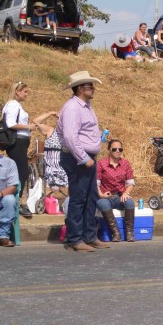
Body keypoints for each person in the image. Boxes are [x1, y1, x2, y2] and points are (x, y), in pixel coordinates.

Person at [57, 71, 110, 252]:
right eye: (90, 86)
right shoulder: (73, 108)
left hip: (86, 157)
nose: (93, 89)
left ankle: (89, 236)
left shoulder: (86, 106)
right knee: (79, 198)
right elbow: (70, 136)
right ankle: (75, 239)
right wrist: (83, 158)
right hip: (77, 157)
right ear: (81, 88)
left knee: (91, 197)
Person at [2, 81, 39, 217]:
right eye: (25, 91)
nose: (26, 94)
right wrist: (28, 127)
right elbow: (10, 123)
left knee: (20, 172)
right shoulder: (12, 105)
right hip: (17, 142)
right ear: (17, 91)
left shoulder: (17, 106)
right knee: (21, 172)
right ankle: (16, 201)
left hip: (21, 142)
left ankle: (15, 200)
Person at [95, 139, 137, 243]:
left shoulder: (125, 163)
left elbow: (131, 182)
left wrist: (126, 192)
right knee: (103, 204)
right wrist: (101, 194)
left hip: (120, 196)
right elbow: (96, 183)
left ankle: (129, 233)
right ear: (109, 150)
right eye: (114, 149)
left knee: (130, 202)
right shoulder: (101, 164)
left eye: (120, 149)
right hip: (106, 196)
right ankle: (115, 233)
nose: (117, 151)